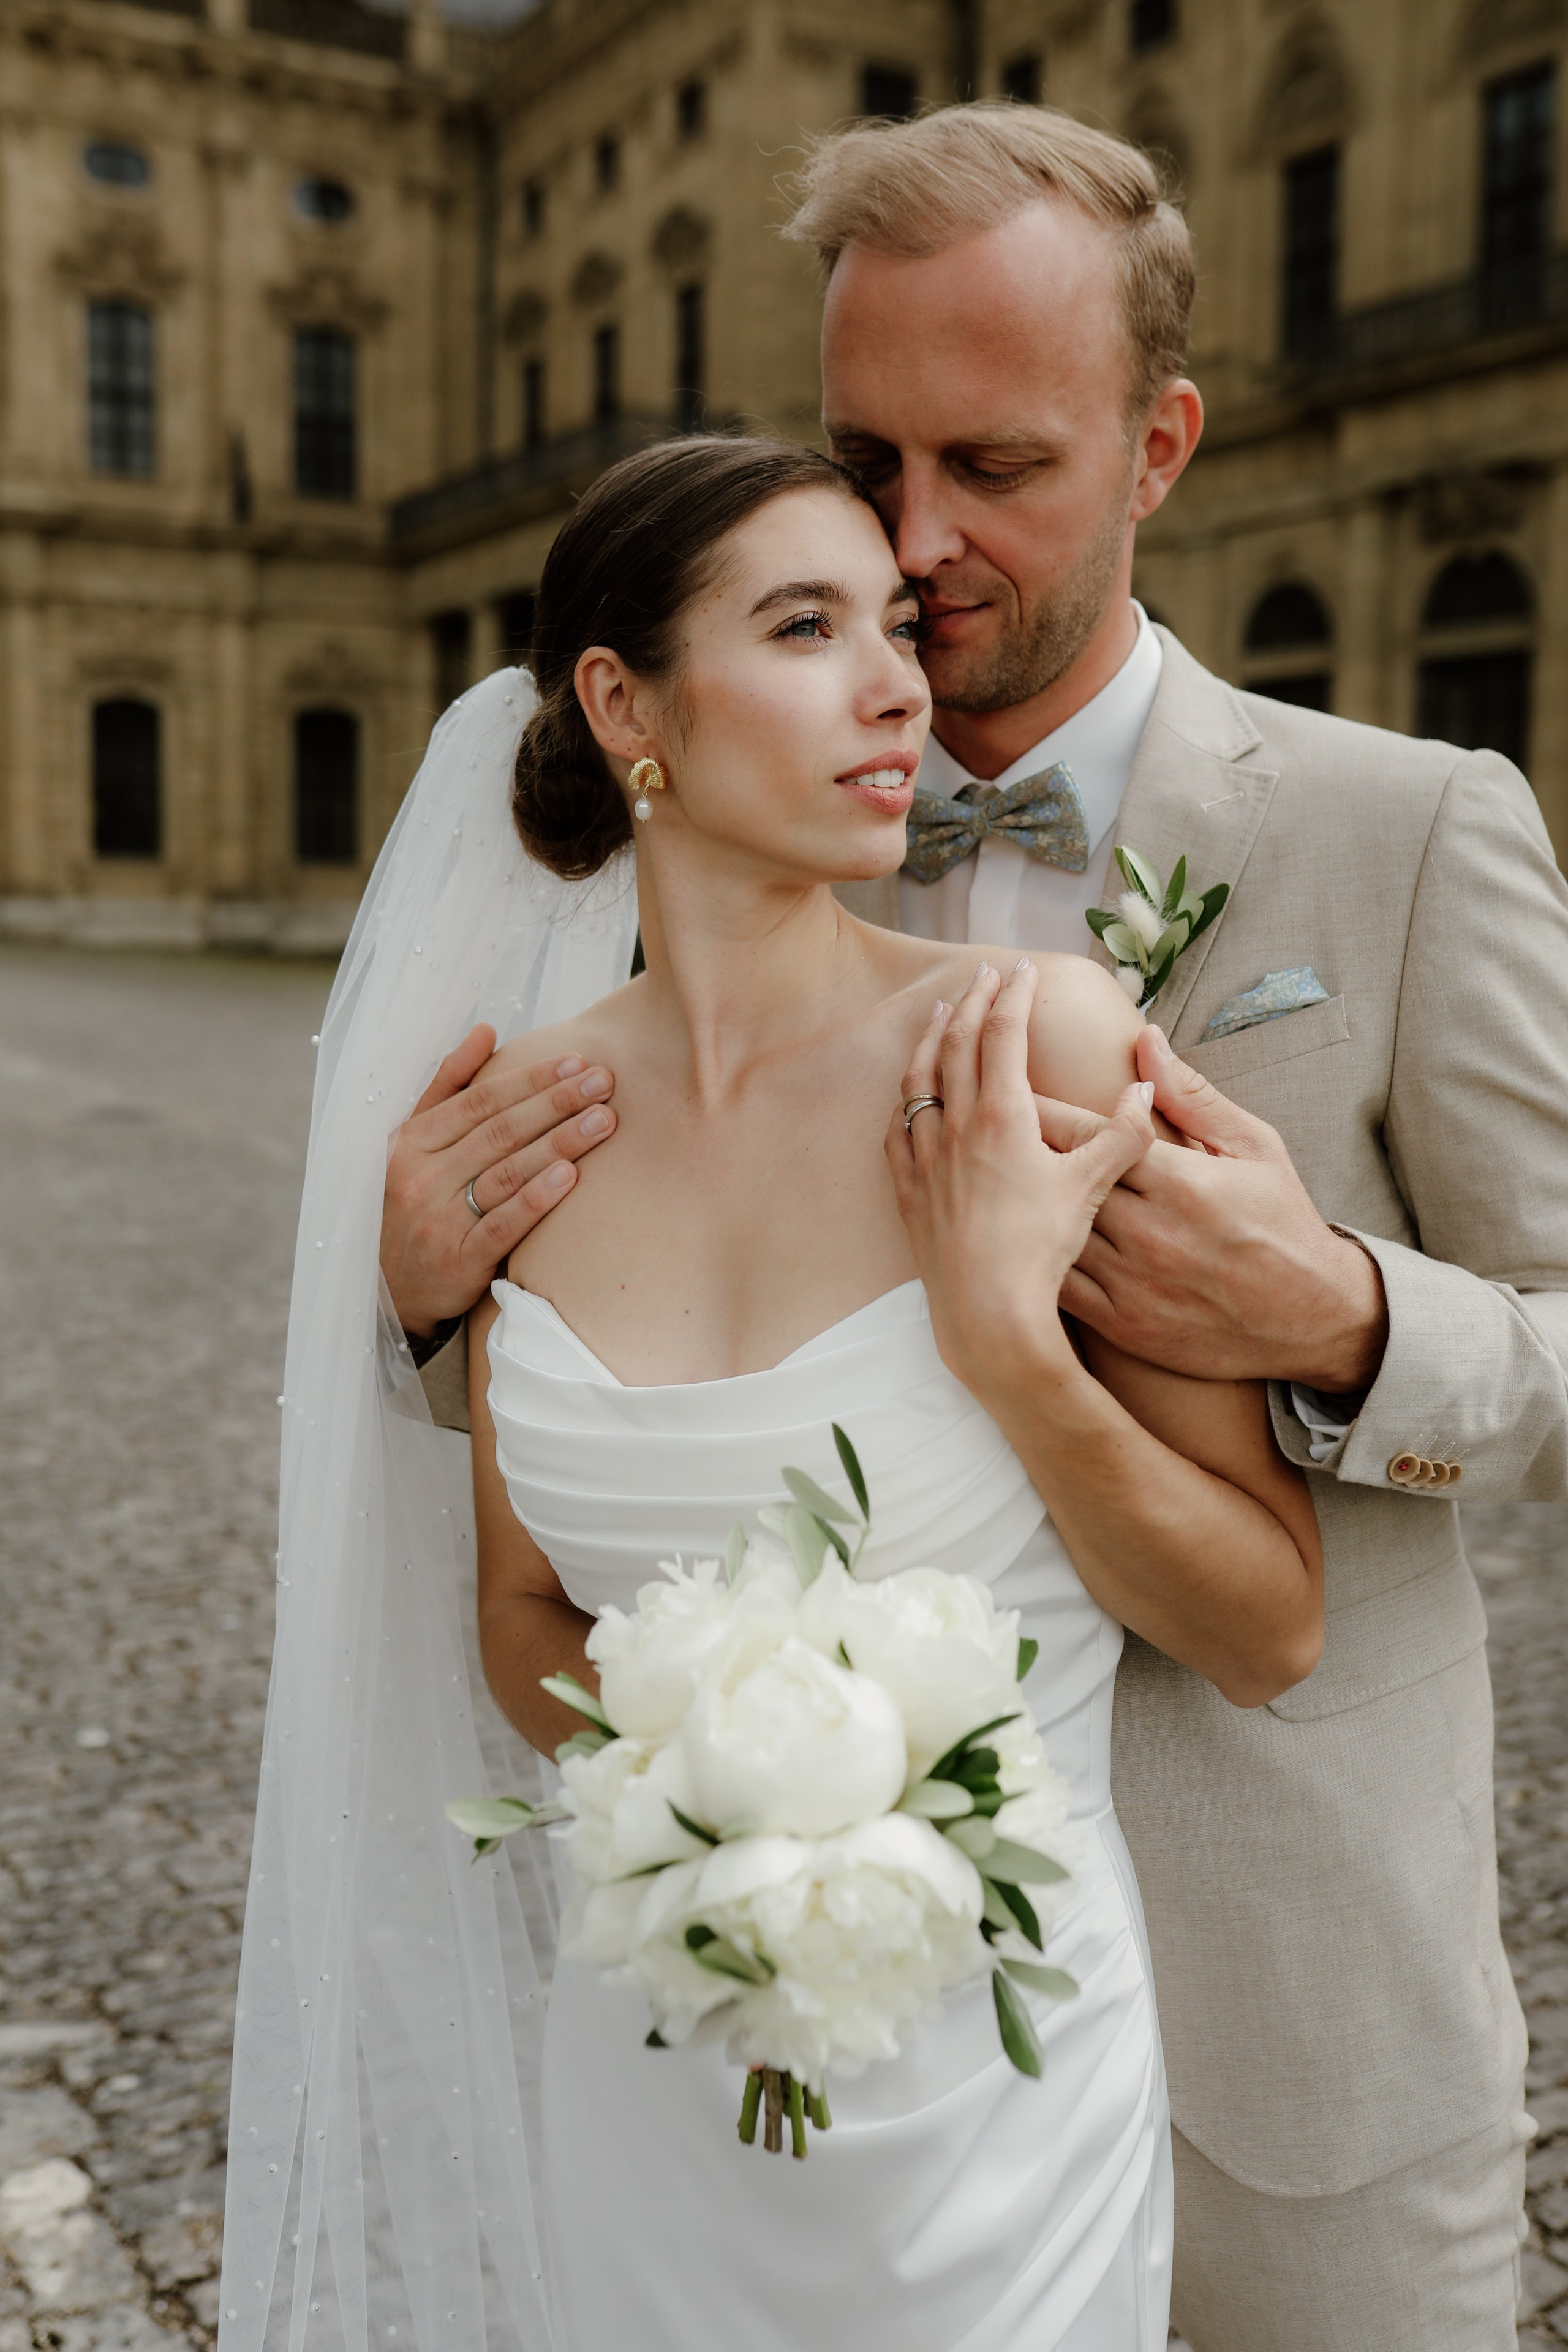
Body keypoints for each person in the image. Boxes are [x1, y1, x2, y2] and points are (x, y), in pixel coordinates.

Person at [378, 105, 1568, 2351]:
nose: (915, 550)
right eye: (865, 460)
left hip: (1298, 2032)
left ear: (1158, 449)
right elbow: (625, 1408)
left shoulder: (1413, 832)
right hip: (801, 2059)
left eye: (996, 467)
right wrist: (432, 1311)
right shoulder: (716, 842)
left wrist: (1338, 1314)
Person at [472, 430, 1327, 2345]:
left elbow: (1269, 1623)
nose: (897, 690)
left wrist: (1010, 1353)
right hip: (661, 2074)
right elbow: (520, 1615)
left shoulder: (1037, 1053)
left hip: (996, 2121)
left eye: (896, 629)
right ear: (625, 705)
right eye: (806, 628)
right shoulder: (528, 1126)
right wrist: (719, 1791)